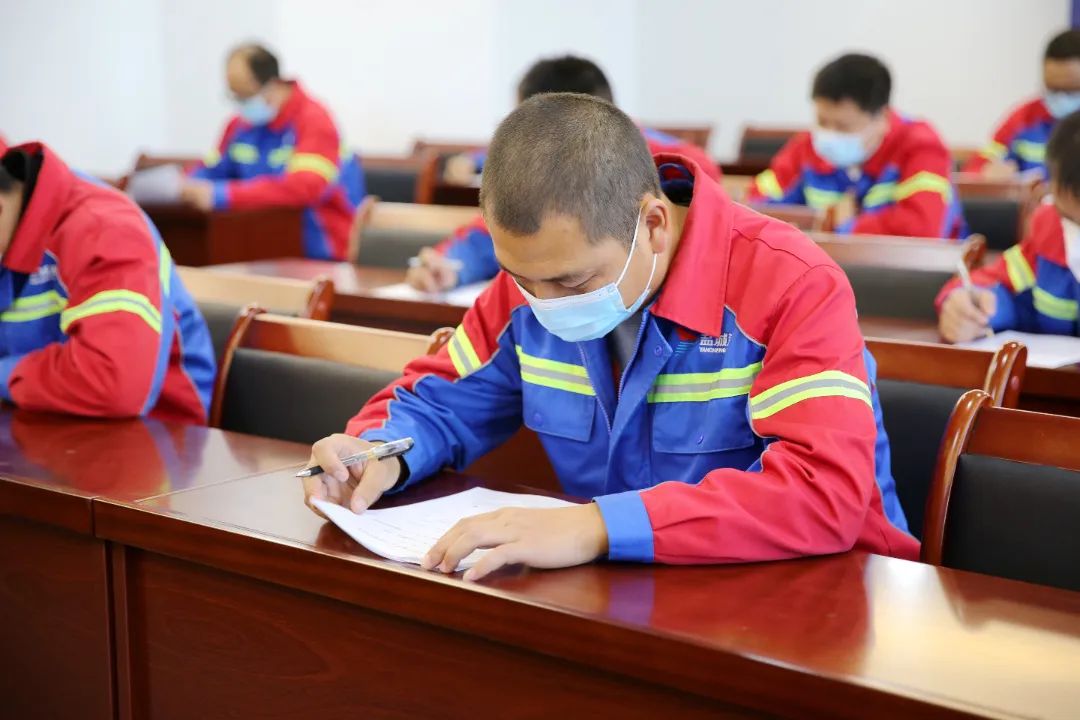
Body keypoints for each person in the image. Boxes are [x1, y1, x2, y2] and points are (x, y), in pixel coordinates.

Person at [304, 93, 917, 582]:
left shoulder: (792, 284)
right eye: (521, 279)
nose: (543, 303)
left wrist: (600, 526)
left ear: (653, 224)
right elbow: (441, 400)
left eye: (572, 282)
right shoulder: (531, 282)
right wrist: (377, 452)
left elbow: (823, 494)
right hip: (639, 587)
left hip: (826, 593)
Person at [407, 55, 722, 292]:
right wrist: (451, 266)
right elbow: (502, 233)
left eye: (530, 127)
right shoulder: (541, 163)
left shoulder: (685, 166)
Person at [0, 142, 215, 422]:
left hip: (158, 431)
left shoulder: (104, 228)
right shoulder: (9, 230)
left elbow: (112, 381)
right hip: (42, 419)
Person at [746, 53, 966, 240]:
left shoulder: (921, 146)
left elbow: (922, 228)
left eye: (843, 127)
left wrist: (839, 226)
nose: (829, 134)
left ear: (881, 118)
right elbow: (755, 206)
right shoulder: (807, 146)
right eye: (822, 121)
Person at [181, 43, 365, 261]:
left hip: (321, 252)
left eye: (246, 96)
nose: (242, 105)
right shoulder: (240, 125)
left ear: (272, 85)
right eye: (235, 97)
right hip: (260, 247)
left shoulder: (314, 121)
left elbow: (304, 188)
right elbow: (213, 168)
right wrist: (185, 185)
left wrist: (223, 195)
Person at [938, 111, 1080, 342]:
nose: (1071, 232)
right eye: (1068, 217)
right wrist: (975, 308)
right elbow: (1012, 295)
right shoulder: (1051, 229)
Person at [964, 29, 1080, 179]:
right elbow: (978, 166)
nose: (1061, 98)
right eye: (1053, 89)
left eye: (1071, 90)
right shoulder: (1026, 117)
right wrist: (986, 172)